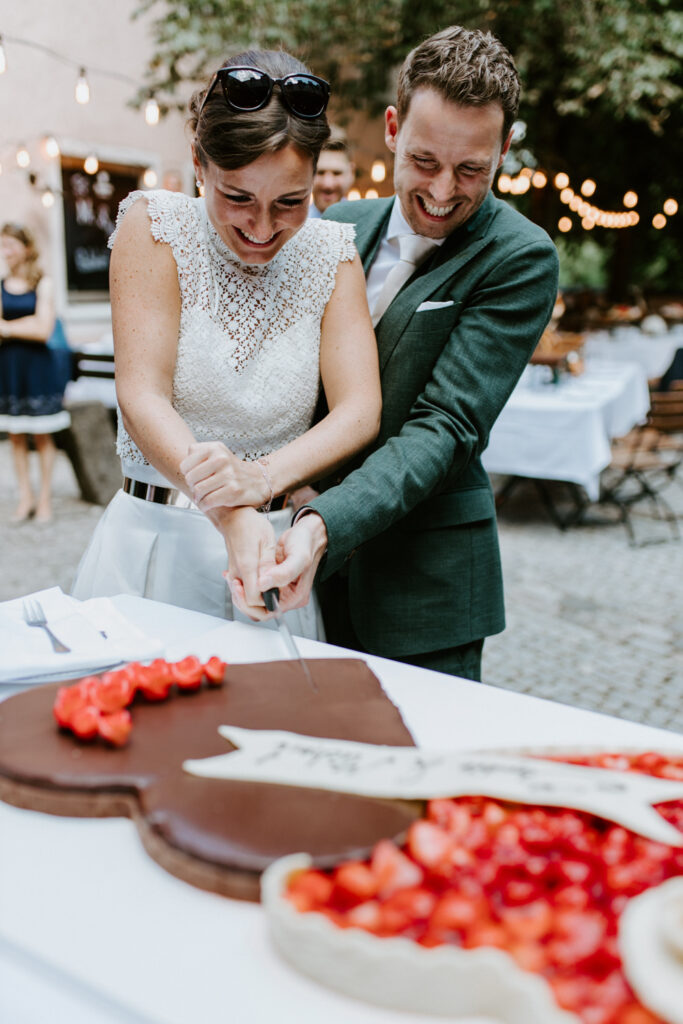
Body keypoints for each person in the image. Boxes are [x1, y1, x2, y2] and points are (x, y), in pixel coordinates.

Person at [235, 26, 560, 680]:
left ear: (502, 149)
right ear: (391, 128)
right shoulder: (337, 227)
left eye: (471, 169)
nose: (443, 192)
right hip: (300, 584)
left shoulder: (520, 257)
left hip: (423, 594)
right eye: (424, 161)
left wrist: (320, 522)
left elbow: (445, 427)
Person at [72, 49, 380, 638]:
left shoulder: (333, 253)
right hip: (155, 547)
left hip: (276, 553)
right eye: (238, 197)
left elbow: (360, 409)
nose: (262, 229)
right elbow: (141, 395)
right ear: (198, 161)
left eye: (291, 201)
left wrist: (262, 481)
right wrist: (232, 514)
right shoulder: (155, 226)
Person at [0, 223, 70, 523]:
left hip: (38, 368)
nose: (4, 251)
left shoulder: (44, 283)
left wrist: (7, 328)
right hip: (8, 368)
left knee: (42, 436)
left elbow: (44, 329)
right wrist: (25, 325)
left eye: (9, 244)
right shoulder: (1, 283)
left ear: (25, 248)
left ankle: (44, 500)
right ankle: (25, 497)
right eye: (1, 245)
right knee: (15, 435)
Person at [308, 126, 356, 217]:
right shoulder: (291, 228)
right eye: (320, 172)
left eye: (337, 173)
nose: (328, 184)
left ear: (351, 173)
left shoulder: (368, 227)